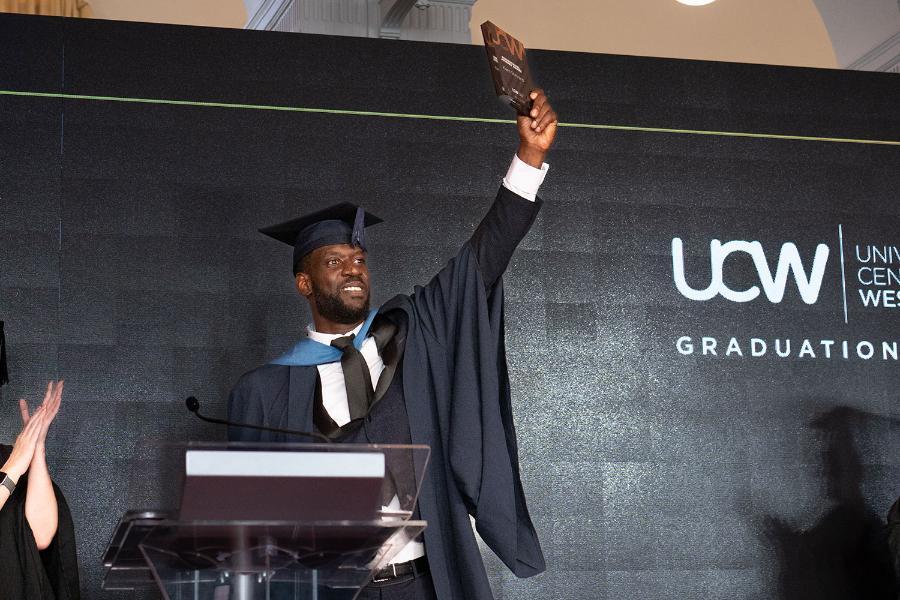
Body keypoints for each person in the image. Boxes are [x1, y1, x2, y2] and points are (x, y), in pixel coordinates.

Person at [229, 90, 558, 600]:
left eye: (358, 259)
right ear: (304, 283)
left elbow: (481, 262)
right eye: (334, 263)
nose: (353, 269)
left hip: (422, 585)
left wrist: (529, 158)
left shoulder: (409, 334)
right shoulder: (265, 392)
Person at [0, 381, 80, 600]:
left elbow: (41, 536)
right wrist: (13, 468)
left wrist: (35, 451)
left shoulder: (9, 457)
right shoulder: (13, 463)